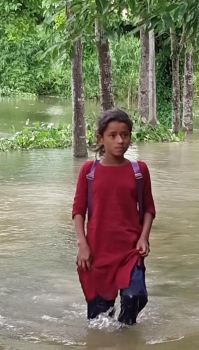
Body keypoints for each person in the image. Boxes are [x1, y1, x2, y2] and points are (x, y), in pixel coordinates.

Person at [72, 109, 156, 325]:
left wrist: (143, 238)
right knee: (99, 319)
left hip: (129, 250)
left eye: (125, 134)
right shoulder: (88, 171)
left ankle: (126, 344)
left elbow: (148, 209)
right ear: (100, 138)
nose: (120, 140)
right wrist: (82, 243)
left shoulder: (139, 170)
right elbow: (78, 211)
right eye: (113, 135)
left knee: (134, 297)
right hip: (97, 252)